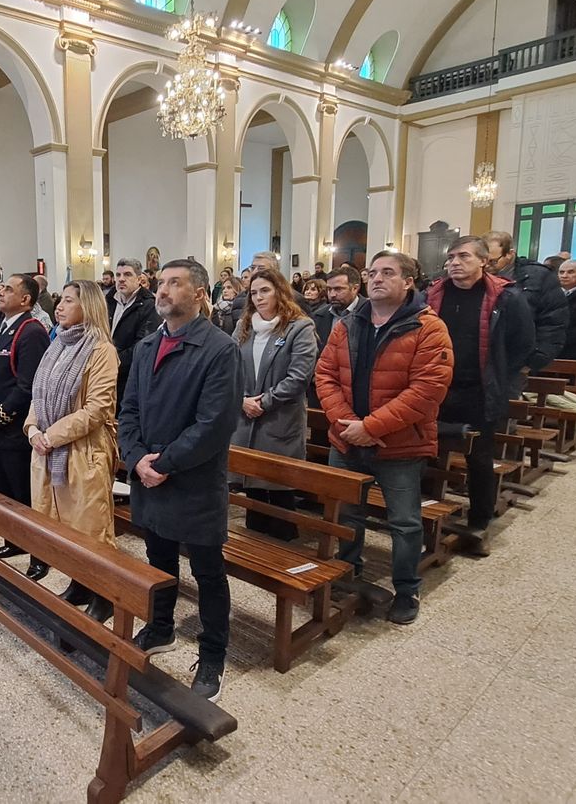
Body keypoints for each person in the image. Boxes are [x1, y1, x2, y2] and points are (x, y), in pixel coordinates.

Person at [118, 258, 240, 701]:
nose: (163, 290)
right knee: (158, 560)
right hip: (150, 477)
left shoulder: (219, 348)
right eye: (161, 283)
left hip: (193, 483)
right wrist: (135, 460)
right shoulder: (149, 345)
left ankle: (212, 655)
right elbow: (127, 409)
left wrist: (161, 464)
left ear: (201, 293)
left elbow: (214, 425)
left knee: (208, 573)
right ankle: (162, 627)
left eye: (175, 283)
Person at [316, 250, 453, 626]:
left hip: (400, 445)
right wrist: (347, 423)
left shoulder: (428, 328)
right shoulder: (347, 323)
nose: (377, 278)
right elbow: (325, 374)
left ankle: (407, 590)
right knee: (346, 512)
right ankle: (347, 574)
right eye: (372, 272)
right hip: (346, 439)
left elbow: (426, 391)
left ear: (408, 282)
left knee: (405, 522)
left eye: (387, 272)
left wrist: (371, 428)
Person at [426, 237, 535, 555]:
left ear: (484, 261)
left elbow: (522, 344)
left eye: (463, 256)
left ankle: (478, 523)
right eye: (451, 257)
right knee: (426, 449)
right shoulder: (434, 295)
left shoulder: (506, 298)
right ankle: (425, 515)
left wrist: (499, 376)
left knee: (480, 459)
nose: (454, 262)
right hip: (438, 387)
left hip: (480, 390)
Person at [26, 279, 118, 618]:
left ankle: (104, 594)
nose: (59, 307)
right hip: (49, 449)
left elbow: (97, 408)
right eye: (59, 301)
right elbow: (39, 394)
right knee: (61, 526)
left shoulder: (101, 350)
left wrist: (52, 435)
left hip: (84, 452)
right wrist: (33, 427)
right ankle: (80, 582)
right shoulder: (56, 344)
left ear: (88, 307)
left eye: (67, 301)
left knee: (91, 526)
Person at [230, 267, 317, 541]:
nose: (258, 297)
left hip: (279, 418)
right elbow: (229, 368)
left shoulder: (299, 328)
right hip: (246, 416)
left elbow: (298, 377)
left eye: (265, 290)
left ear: (280, 291)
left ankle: (284, 549)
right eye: (253, 292)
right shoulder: (244, 327)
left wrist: (264, 402)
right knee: (253, 488)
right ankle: (256, 547)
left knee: (280, 487)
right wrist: (242, 400)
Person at [0, 275, 50, 561]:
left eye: (7, 289)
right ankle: (13, 540)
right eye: (0, 287)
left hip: (14, 429)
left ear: (26, 299)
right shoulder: (1, 327)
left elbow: (27, 387)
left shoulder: (31, 331)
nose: (0, 292)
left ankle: (36, 553)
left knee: (22, 495)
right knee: (3, 489)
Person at [484, 230, 567, 372]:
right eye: (483, 260)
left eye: (492, 261)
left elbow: (553, 322)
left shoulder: (538, 276)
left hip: (518, 360)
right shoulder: (478, 276)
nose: (486, 266)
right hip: (484, 357)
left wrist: (535, 361)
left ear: (510, 254)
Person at [107, 258, 160, 404]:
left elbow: (143, 346)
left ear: (139, 279)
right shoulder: (108, 301)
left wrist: (111, 362)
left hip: (129, 376)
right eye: (118, 275)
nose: (121, 279)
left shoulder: (149, 305)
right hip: (105, 374)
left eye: (127, 275)